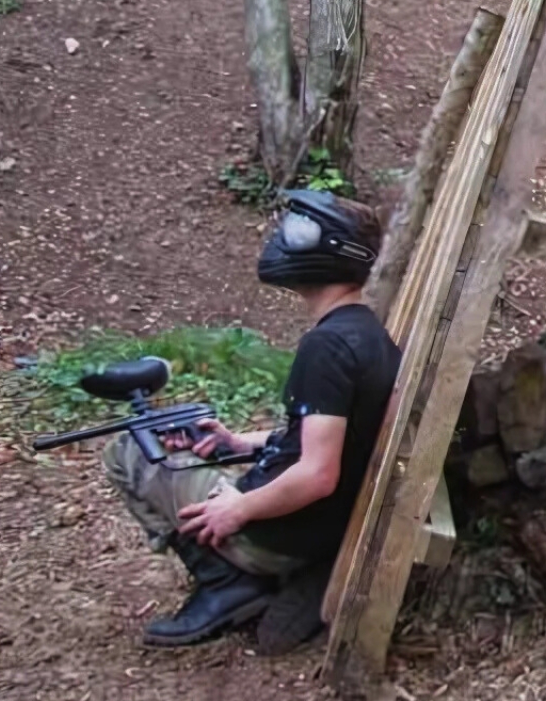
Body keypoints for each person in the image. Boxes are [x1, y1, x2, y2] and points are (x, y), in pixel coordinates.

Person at [102, 190, 400, 648]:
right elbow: (325, 437)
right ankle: (232, 574)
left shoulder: (327, 348)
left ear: (329, 252)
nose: (284, 242)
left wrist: (238, 508)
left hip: (280, 537)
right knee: (177, 446)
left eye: (300, 234)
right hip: (315, 526)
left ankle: (224, 582)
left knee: (126, 451)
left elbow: (319, 473)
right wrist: (241, 443)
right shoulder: (367, 335)